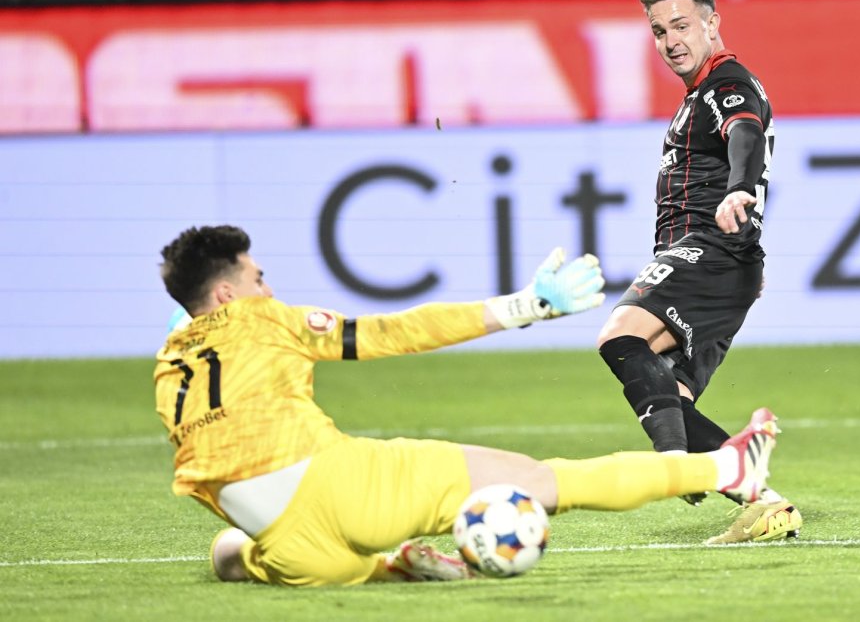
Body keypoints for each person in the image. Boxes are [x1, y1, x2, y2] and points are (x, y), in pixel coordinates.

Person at [155, 224, 782, 586]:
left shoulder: (167, 370)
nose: (268, 290)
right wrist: (523, 307)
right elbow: (392, 332)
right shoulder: (262, 319)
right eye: (258, 278)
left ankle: (392, 567)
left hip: (293, 547)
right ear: (227, 293)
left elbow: (203, 478)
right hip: (343, 490)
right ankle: (726, 467)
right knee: (542, 480)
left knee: (231, 554)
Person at [596, 0, 802, 545]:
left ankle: (672, 466)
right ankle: (766, 502)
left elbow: (745, 134)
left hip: (710, 249)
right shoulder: (698, 95)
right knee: (671, 396)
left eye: (682, 25)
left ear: (713, 23)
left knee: (620, 337)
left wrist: (740, 189)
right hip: (724, 262)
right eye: (660, 31)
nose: (671, 41)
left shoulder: (726, 83)